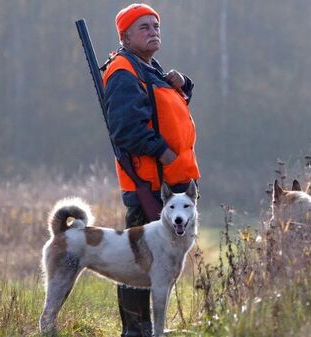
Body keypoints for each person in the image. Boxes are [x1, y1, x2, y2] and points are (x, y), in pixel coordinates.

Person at [102, 3, 201, 337]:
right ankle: (135, 330)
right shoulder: (123, 71)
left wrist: (184, 84)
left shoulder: (150, 68)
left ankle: (151, 328)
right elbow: (125, 129)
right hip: (149, 182)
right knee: (136, 262)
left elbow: (166, 113)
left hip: (172, 184)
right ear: (126, 36)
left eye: (156, 26)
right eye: (144, 27)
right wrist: (164, 152)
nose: (153, 31)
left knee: (161, 263)